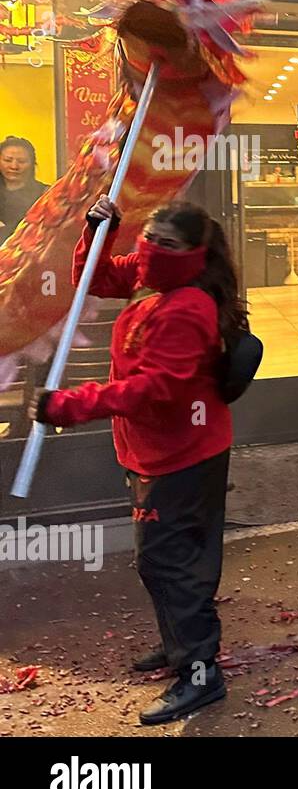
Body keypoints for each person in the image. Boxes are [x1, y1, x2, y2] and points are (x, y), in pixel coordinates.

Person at [31, 196, 241, 725]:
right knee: (172, 562)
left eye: (165, 243)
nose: (150, 249)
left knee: (166, 563)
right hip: (153, 450)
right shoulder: (153, 276)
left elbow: (157, 390)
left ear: (195, 252)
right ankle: (181, 648)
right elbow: (95, 279)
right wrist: (98, 231)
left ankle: (200, 673)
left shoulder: (188, 305)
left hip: (183, 455)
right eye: (147, 236)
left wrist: (71, 405)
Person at [0, 137, 48, 245]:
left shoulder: (45, 194)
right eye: (7, 160)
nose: (14, 166)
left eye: (21, 161)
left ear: (32, 163)